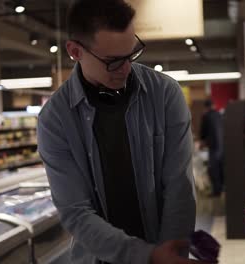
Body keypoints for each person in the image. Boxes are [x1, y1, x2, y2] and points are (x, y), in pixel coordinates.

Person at [37, 1, 208, 263]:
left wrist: (170, 254)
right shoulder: (55, 120)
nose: (126, 68)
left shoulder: (164, 94)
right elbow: (76, 213)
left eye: (131, 54)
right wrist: (148, 256)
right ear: (75, 51)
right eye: (113, 61)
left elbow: (179, 188)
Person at [199, 99, 224, 197]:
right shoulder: (219, 115)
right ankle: (222, 188)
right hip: (222, 146)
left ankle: (217, 191)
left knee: (213, 169)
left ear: (206, 107)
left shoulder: (206, 116)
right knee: (221, 167)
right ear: (213, 105)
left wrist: (202, 141)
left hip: (213, 146)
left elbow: (202, 133)